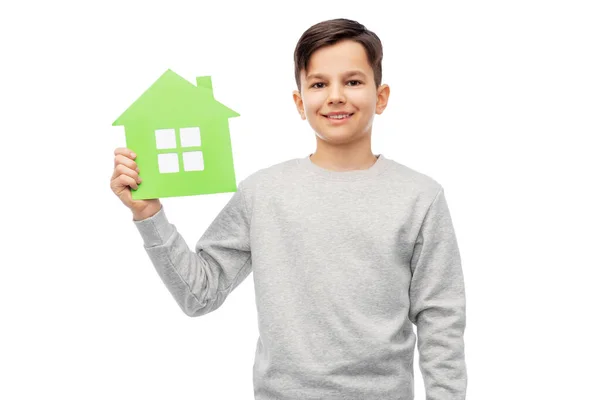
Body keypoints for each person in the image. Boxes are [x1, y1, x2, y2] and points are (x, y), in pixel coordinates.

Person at [110, 18, 467, 400]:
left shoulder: (420, 196)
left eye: (353, 81)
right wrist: (148, 215)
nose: (335, 95)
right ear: (300, 102)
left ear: (381, 96)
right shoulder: (262, 193)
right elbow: (200, 295)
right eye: (318, 84)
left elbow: (440, 319)